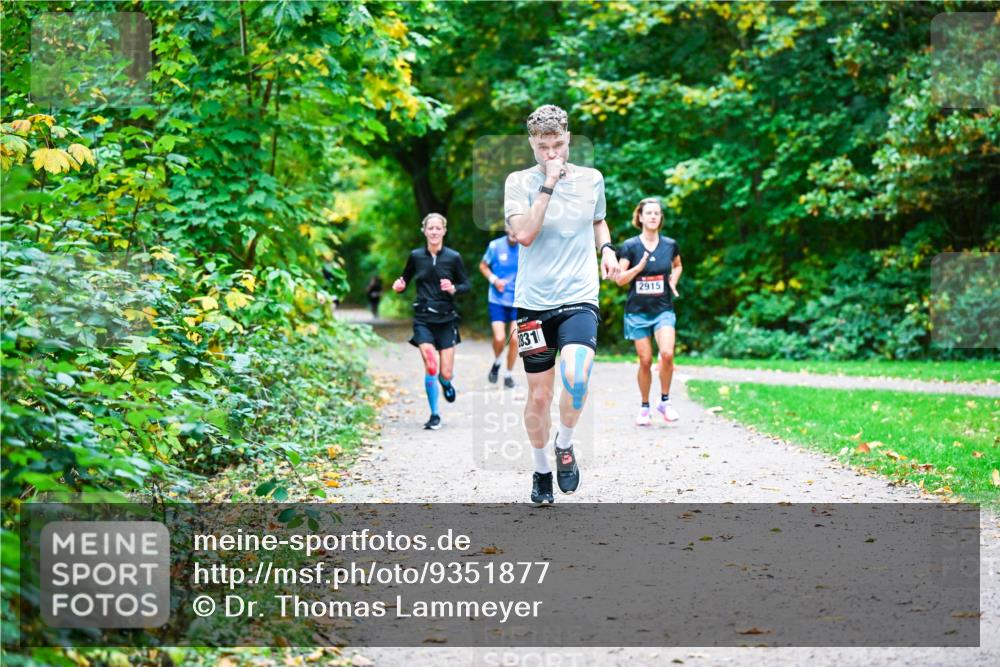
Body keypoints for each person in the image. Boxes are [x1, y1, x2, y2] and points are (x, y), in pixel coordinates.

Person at [504, 104, 620, 505]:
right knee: (538, 397)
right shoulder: (518, 182)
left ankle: (565, 444)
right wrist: (548, 184)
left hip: (579, 296)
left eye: (557, 145)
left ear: (568, 139)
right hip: (533, 303)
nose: (551, 154)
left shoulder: (592, 179)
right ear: (531, 144)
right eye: (542, 147)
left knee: (577, 377)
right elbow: (525, 234)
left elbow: (598, 219)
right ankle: (540, 470)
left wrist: (605, 247)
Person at [392, 213, 470, 430]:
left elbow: (466, 285)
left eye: (438, 228)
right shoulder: (416, 256)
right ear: (424, 231)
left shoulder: (453, 257)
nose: (434, 232)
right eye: (430, 228)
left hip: (446, 320)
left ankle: (446, 384)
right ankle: (434, 414)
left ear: (444, 231)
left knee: (445, 372)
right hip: (423, 318)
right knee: (431, 365)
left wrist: (453, 288)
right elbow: (404, 279)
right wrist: (400, 286)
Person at [615, 197, 683, 425]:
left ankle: (664, 400)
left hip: (663, 308)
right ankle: (645, 407)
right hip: (637, 312)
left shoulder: (670, 245)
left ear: (660, 218)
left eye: (657, 213)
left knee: (667, 354)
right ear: (641, 217)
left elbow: (678, 265)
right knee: (645, 360)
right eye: (649, 213)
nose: (653, 216)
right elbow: (619, 280)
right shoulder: (630, 246)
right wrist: (638, 267)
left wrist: (673, 280)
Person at [479, 230, 520, 388]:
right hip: (497, 299)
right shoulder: (495, 245)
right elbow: (483, 266)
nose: (513, 231)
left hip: (518, 300)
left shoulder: (526, 246)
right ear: (506, 227)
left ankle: (508, 374)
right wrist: (494, 280)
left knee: (515, 339)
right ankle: (497, 362)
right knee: (500, 338)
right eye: (511, 226)